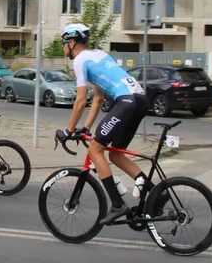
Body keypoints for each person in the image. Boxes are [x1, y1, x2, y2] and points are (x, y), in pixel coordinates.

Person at [58, 23, 149, 224]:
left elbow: (81, 100)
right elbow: (98, 98)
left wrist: (68, 130)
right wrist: (86, 128)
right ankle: (151, 191)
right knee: (115, 153)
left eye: (64, 43)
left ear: (72, 42)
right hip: (140, 99)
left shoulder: (80, 60)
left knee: (95, 150)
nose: (63, 48)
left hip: (126, 101)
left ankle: (117, 205)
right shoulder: (98, 55)